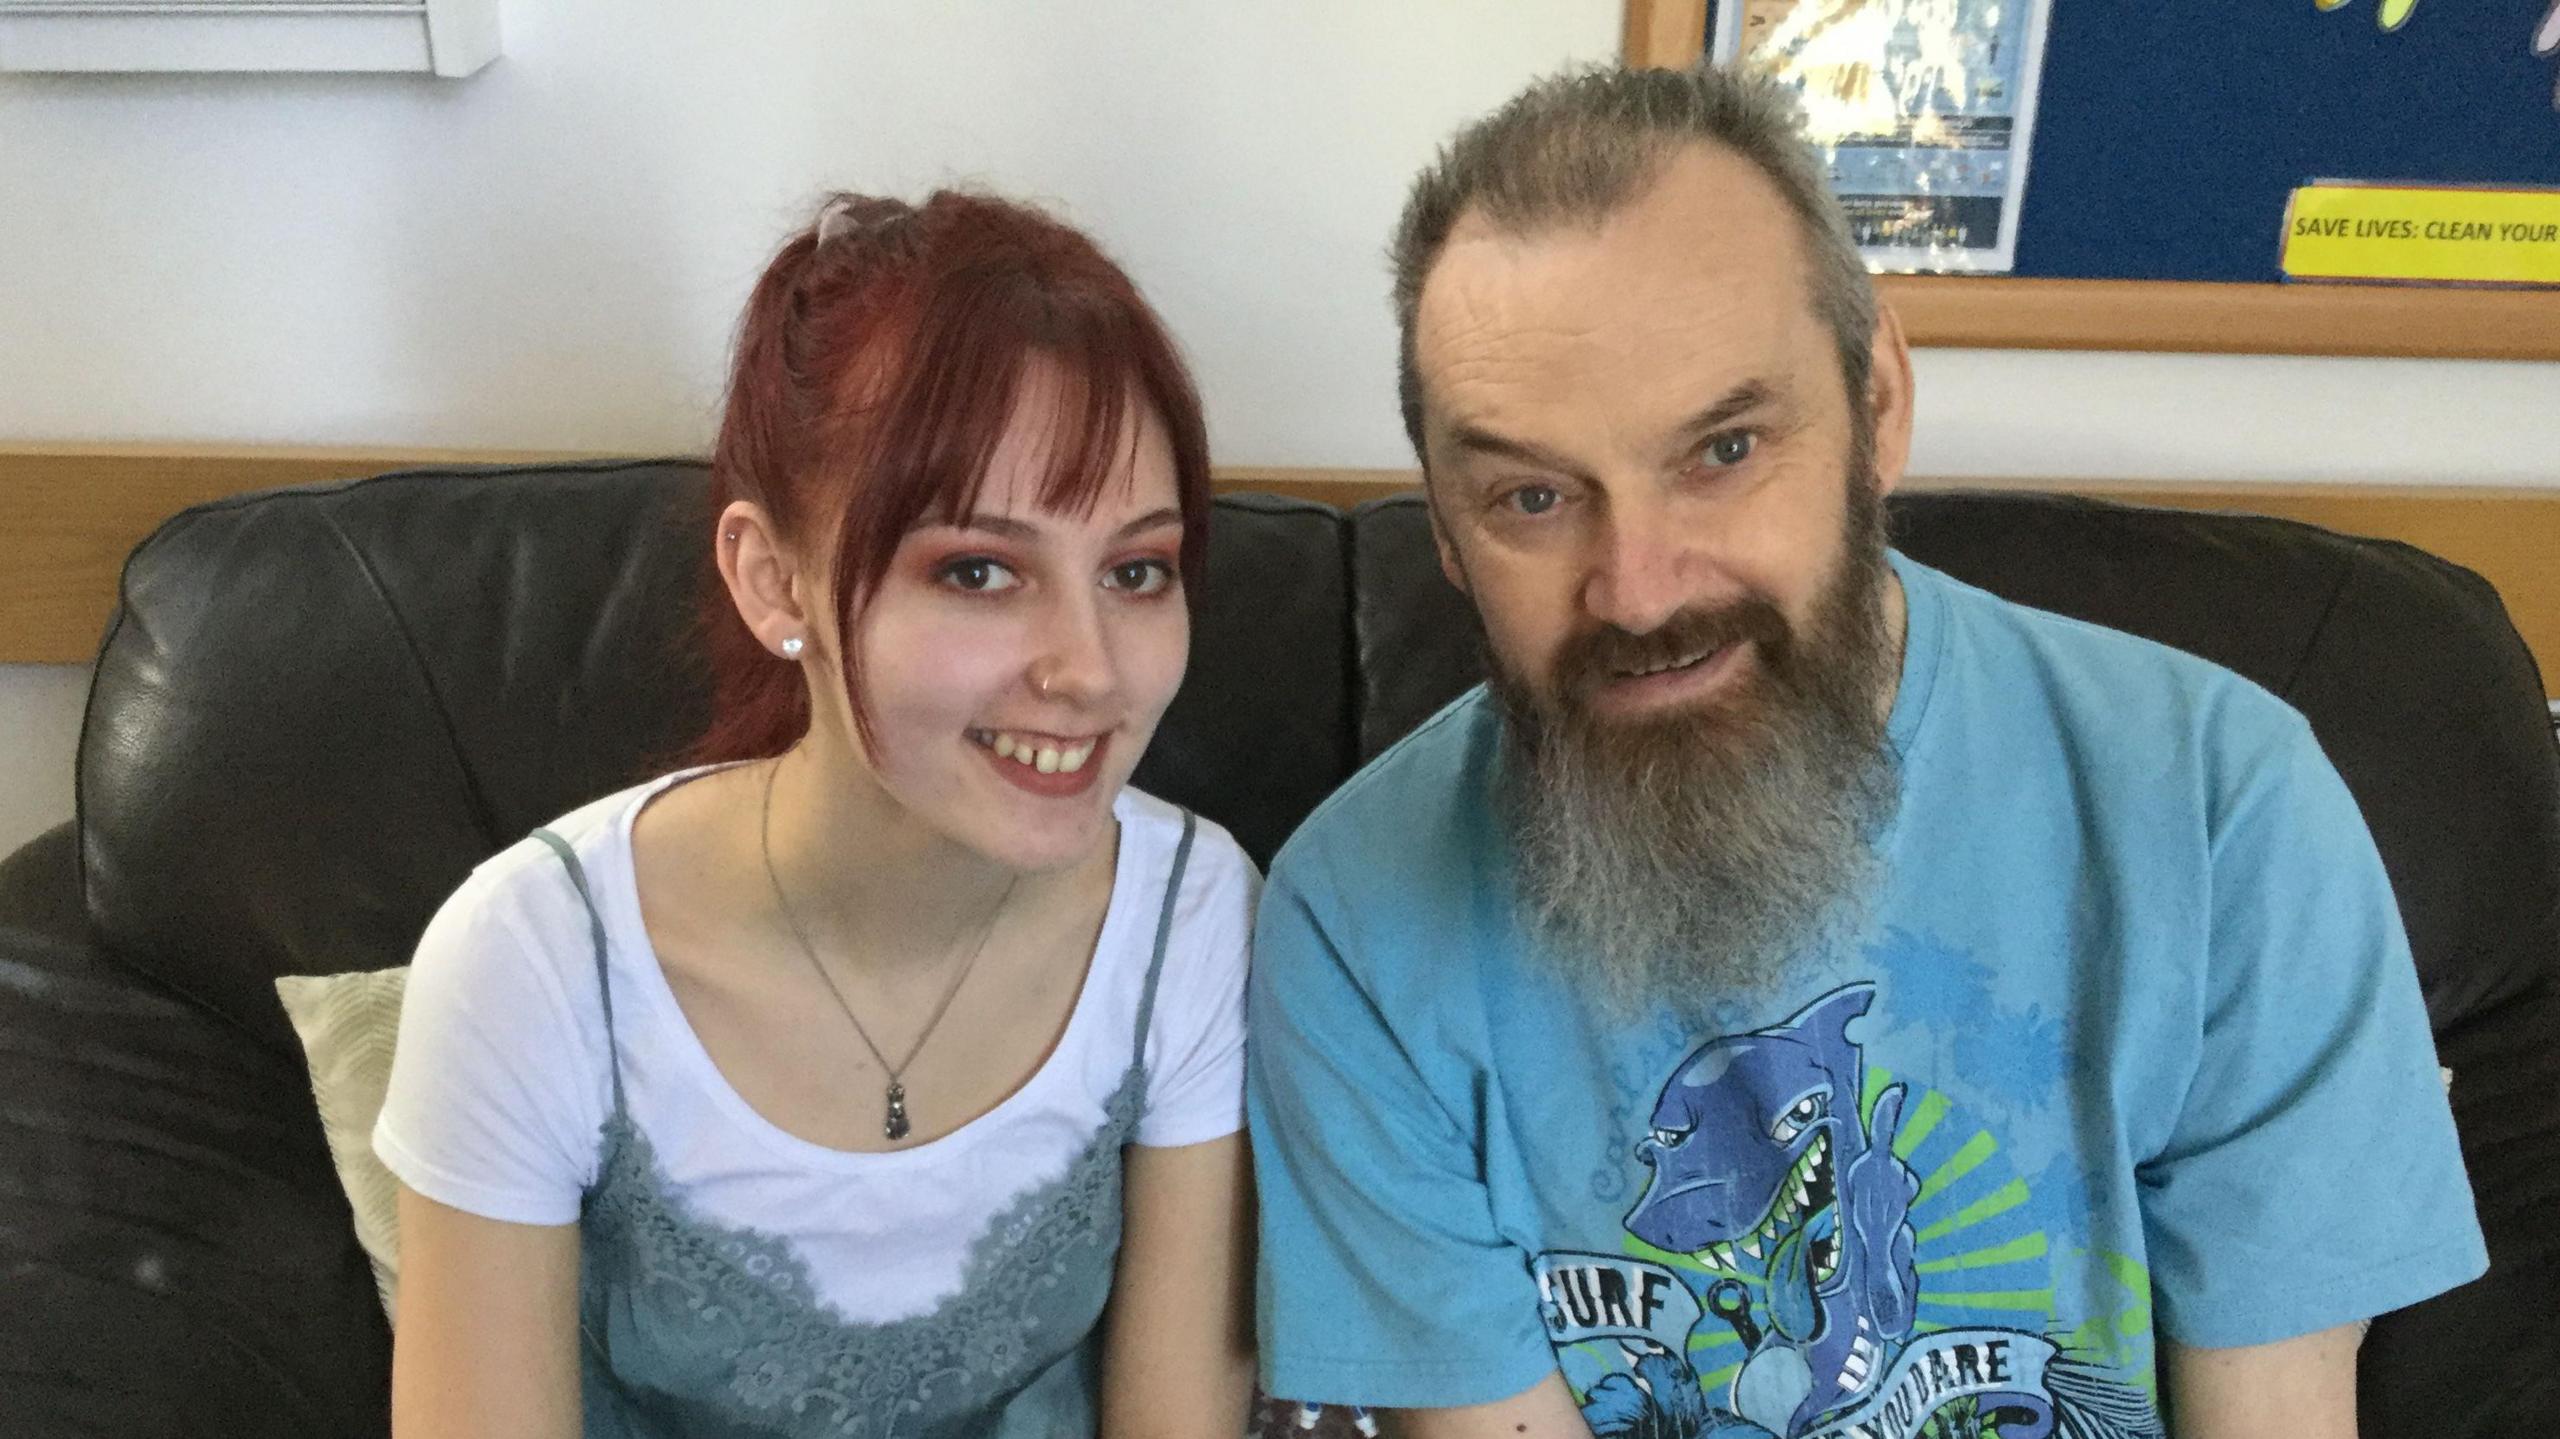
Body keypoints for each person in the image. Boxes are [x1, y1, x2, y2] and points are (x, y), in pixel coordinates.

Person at [1247, 63, 2485, 1439]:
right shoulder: (1349, 922)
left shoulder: (2227, 816)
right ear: (1444, 531)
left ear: (1878, 405)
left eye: (1722, 448)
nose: (1640, 588)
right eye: (1532, 497)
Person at [377, 189, 1257, 1437]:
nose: (1091, 670)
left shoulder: (1192, 914)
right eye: (979, 570)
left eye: (1136, 570)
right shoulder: (536, 957)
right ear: (771, 577)